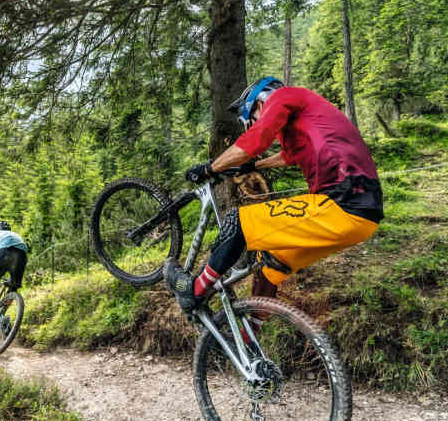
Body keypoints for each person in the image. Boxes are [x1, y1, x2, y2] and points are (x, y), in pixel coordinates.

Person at [164, 76, 384, 312]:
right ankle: (250, 342)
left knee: (237, 221)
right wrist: (254, 166)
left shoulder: (283, 96)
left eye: (252, 118)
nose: (254, 121)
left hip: (341, 202)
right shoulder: (306, 114)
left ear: (258, 103)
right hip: (362, 216)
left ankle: (195, 290)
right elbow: (290, 156)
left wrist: (210, 168)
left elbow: (256, 139)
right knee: (269, 267)